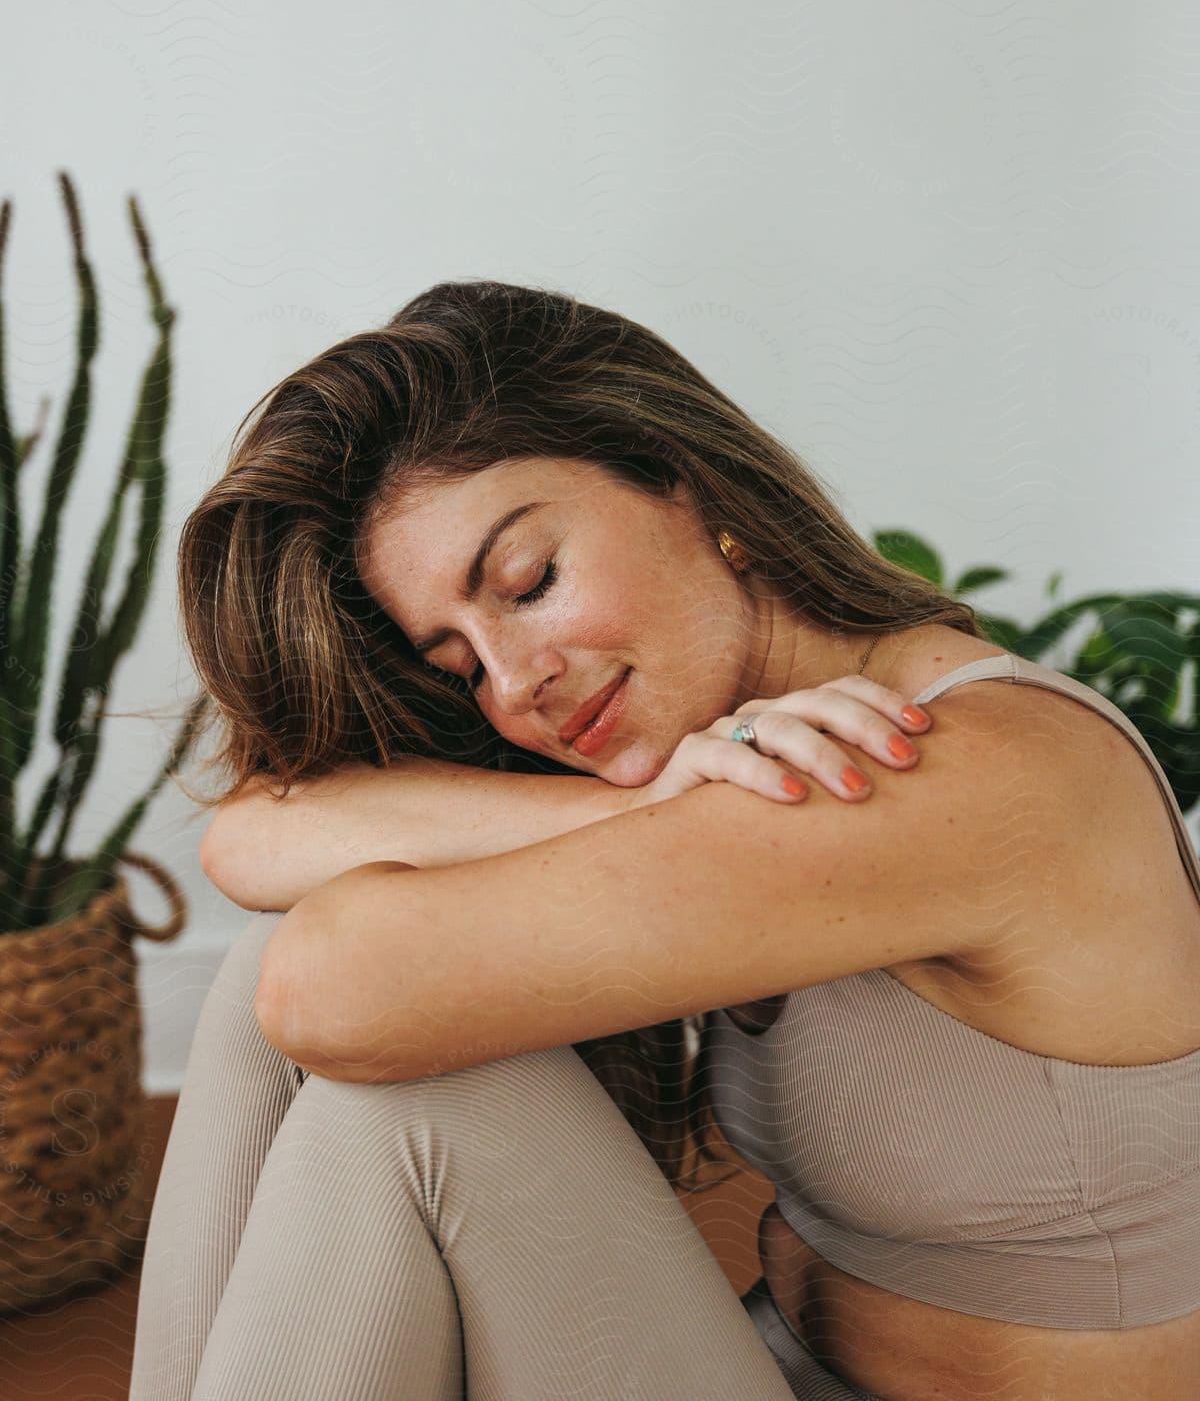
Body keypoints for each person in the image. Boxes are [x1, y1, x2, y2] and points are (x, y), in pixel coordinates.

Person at [130, 280, 1200, 1400]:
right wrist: (638, 806)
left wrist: (671, 807)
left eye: (530, 583)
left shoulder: (946, 765)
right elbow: (254, 835)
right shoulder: (733, 757)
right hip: (778, 1363)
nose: (517, 683)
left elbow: (327, 991)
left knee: (414, 1093)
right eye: (459, 663)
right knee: (266, 971)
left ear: (686, 483)